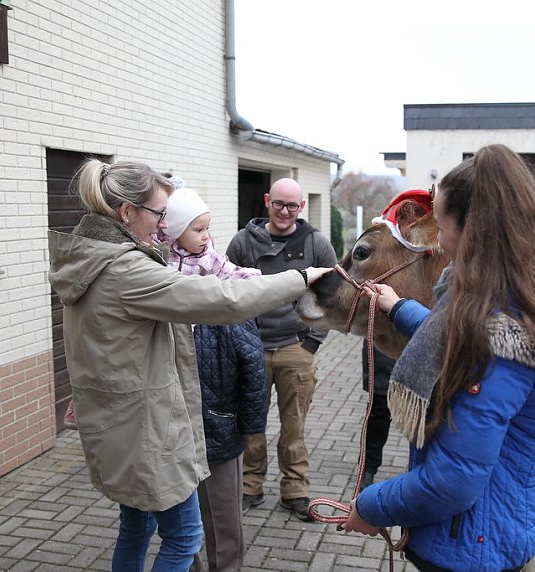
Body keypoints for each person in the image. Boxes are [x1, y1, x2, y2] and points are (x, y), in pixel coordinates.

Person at [340, 145, 535, 572]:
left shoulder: (498, 336)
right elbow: (459, 341)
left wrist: (370, 506)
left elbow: (452, 482)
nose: (438, 238)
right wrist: (398, 308)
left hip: (474, 548)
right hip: (502, 531)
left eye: (440, 225)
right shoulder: (517, 302)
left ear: (470, 229)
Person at [48, 159, 332, 571]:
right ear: (128, 213)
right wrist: (300, 278)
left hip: (117, 423)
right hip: (146, 431)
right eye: (159, 214)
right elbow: (224, 300)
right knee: (184, 539)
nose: (163, 226)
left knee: (136, 529)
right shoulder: (126, 269)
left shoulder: (91, 257)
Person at [162, 182, 262, 572]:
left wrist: (250, 423)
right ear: (172, 233)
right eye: (198, 230)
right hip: (173, 424)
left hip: (218, 424)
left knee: (223, 516)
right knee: (183, 517)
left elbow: (252, 361)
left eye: (208, 229)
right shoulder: (158, 277)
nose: (206, 238)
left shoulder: (219, 280)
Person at [225, 177, 338, 522]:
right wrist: (238, 342)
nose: (284, 211)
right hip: (252, 349)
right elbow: (225, 291)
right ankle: (249, 486)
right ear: (266, 201)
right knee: (250, 425)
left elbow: (333, 296)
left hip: (295, 348)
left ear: (301, 207)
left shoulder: (316, 243)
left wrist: (311, 344)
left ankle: (295, 490)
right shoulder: (243, 241)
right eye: (278, 204)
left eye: (292, 205)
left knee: (294, 425)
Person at [358, 340, 396, 492]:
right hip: (384, 345)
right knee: (379, 413)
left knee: (424, 415)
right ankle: (368, 467)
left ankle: (424, 467)